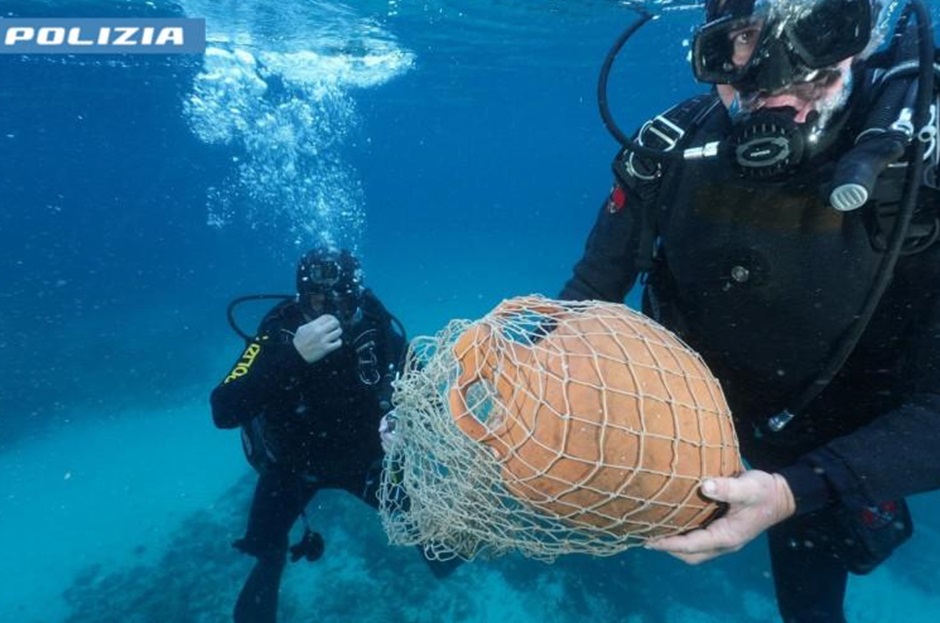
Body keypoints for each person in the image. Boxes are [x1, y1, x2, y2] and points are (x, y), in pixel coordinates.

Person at [560, 0, 938, 620]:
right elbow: (586, 293)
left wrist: (798, 491)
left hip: (829, 445)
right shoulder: (668, 150)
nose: (775, 77)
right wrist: (501, 382)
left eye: (818, 32)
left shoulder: (923, 174)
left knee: (810, 608)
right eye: (742, 38)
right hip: (684, 422)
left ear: (864, 38)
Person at [211, 247, 455, 623]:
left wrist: (404, 421)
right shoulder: (277, 331)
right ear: (299, 298)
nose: (329, 313)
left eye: (342, 300)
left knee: (440, 539)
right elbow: (224, 409)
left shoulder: (377, 329)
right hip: (292, 467)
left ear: (357, 296)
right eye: (316, 301)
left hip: (367, 463)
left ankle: (453, 588)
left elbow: (427, 400)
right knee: (265, 547)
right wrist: (292, 355)